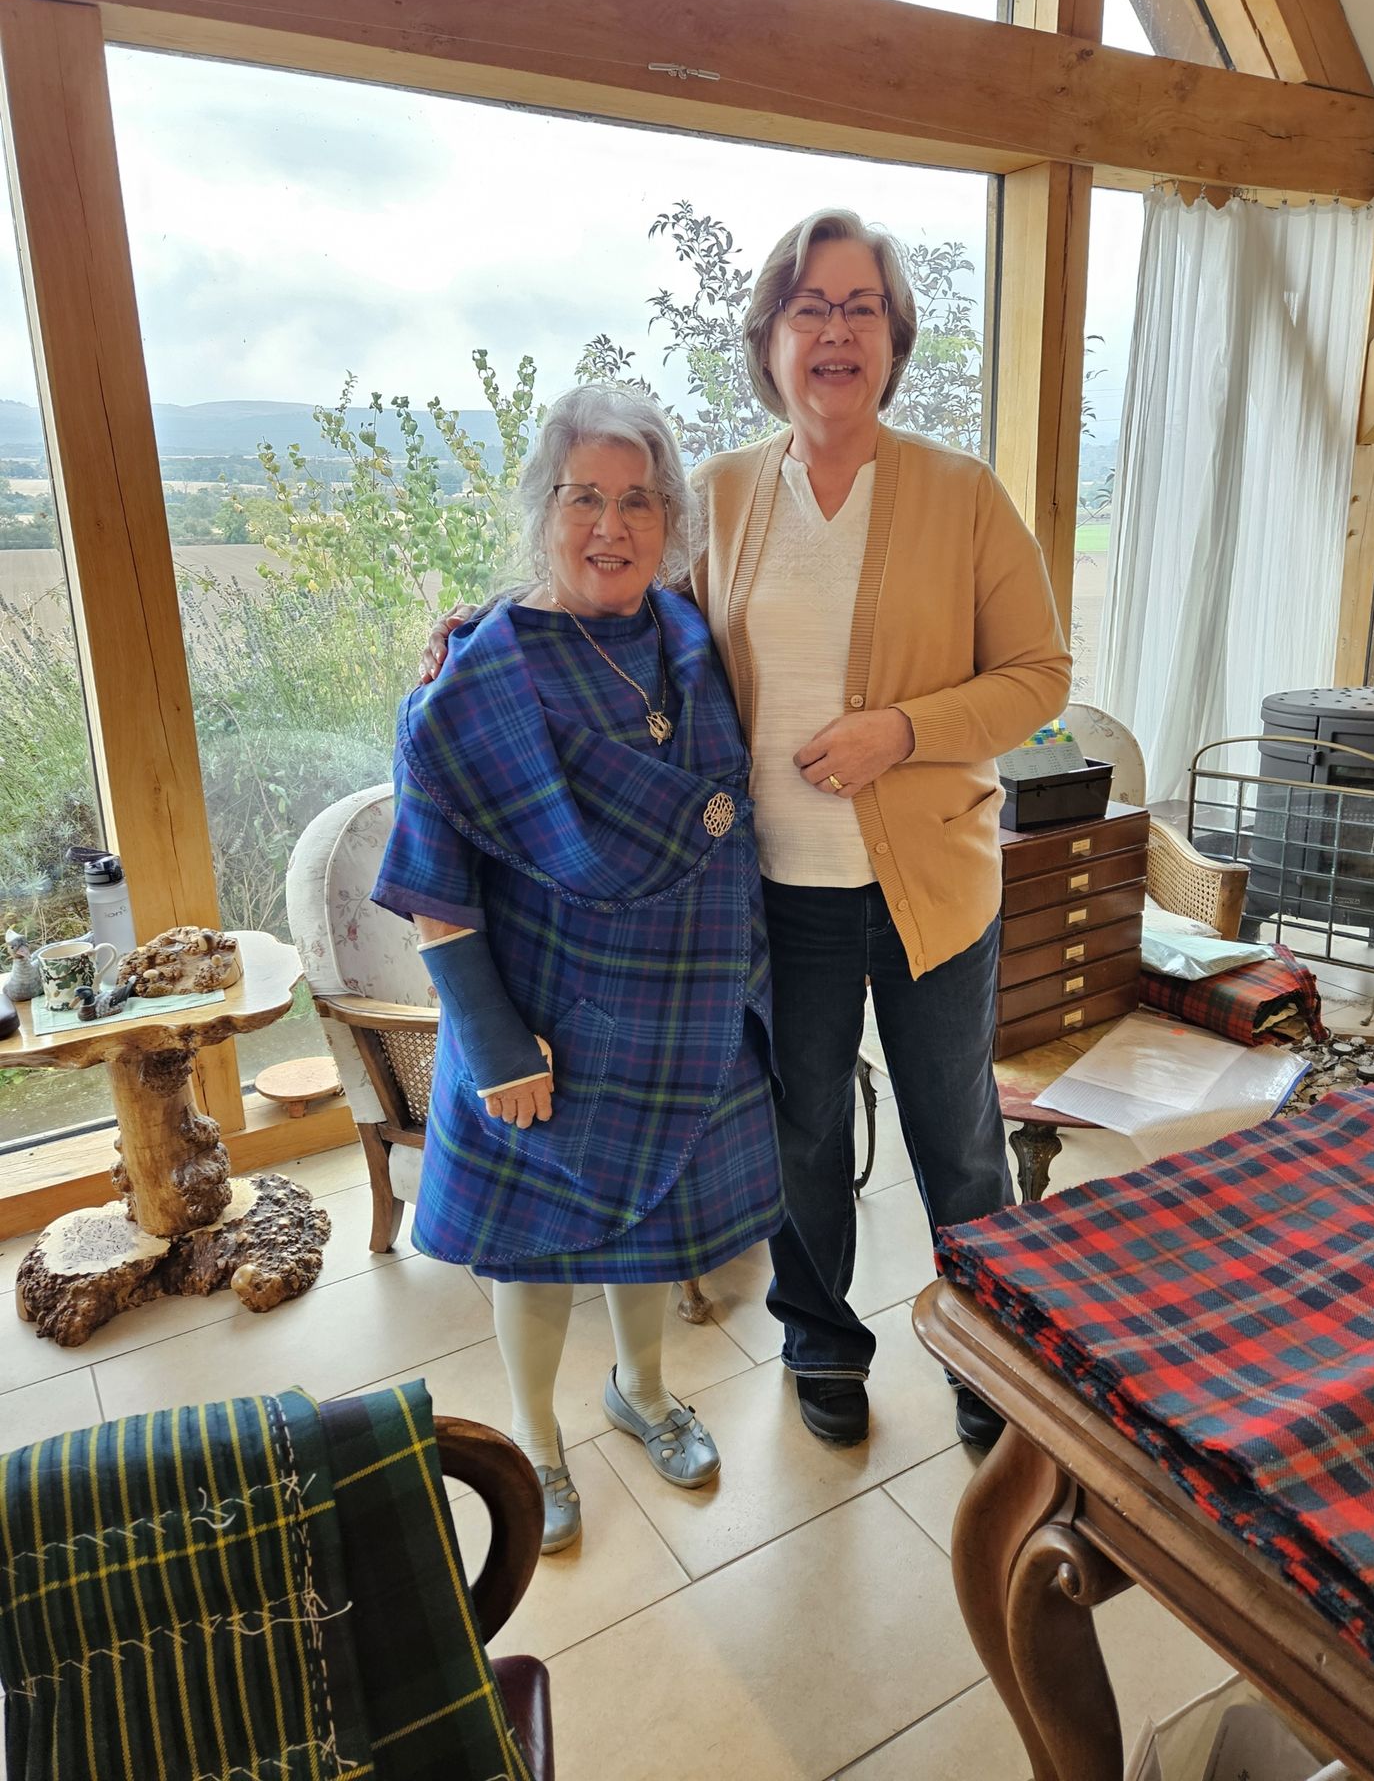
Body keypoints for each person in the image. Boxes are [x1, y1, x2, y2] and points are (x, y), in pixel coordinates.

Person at [425, 211, 1070, 1452]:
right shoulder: (718, 494)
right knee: (804, 1134)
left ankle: (997, 1366)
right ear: (769, 338)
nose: (835, 331)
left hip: (934, 885)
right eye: (809, 308)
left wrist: (905, 730)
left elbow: (1039, 676)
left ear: (893, 337)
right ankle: (824, 1343)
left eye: (861, 308)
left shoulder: (964, 494)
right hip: (775, 891)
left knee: (959, 1138)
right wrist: (479, 626)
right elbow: (605, 607)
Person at [376, 383, 782, 1551]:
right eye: (585, 498)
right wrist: (495, 1046)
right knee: (537, 1255)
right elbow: (438, 894)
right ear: (543, 509)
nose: (612, 525)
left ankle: (643, 1395)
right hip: (541, 1022)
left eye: (639, 501)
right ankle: (535, 1442)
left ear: (670, 521)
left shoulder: (689, 634)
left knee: (646, 1230)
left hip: (678, 1011)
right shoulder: (475, 679)